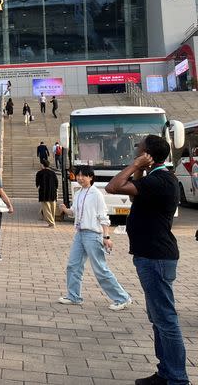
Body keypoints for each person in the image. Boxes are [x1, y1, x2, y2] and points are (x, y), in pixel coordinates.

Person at [106, 135, 189, 385]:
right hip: (152, 255)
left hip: (156, 257)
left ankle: (177, 379)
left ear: (149, 155)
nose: (136, 151)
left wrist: (134, 166)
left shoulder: (161, 180)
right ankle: (166, 372)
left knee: (165, 320)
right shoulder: (155, 179)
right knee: (159, 319)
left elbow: (113, 187)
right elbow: (134, 196)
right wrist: (141, 169)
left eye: (139, 149)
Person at [57, 166, 131, 310]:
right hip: (80, 234)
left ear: (91, 177)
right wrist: (66, 210)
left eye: (83, 176)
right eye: (78, 175)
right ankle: (74, 296)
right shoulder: (78, 193)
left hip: (93, 235)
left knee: (100, 269)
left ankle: (122, 298)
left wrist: (106, 236)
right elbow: (75, 212)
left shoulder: (96, 194)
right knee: (73, 265)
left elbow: (103, 216)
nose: (80, 178)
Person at [36, 159, 59, 227]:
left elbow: (37, 184)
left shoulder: (39, 173)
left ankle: (51, 223)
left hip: (44, 193)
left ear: (42, 165)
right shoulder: (53, 173)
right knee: (52, 209)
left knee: (46, 209)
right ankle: (52, 221)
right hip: (53, 193)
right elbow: (56, 183)